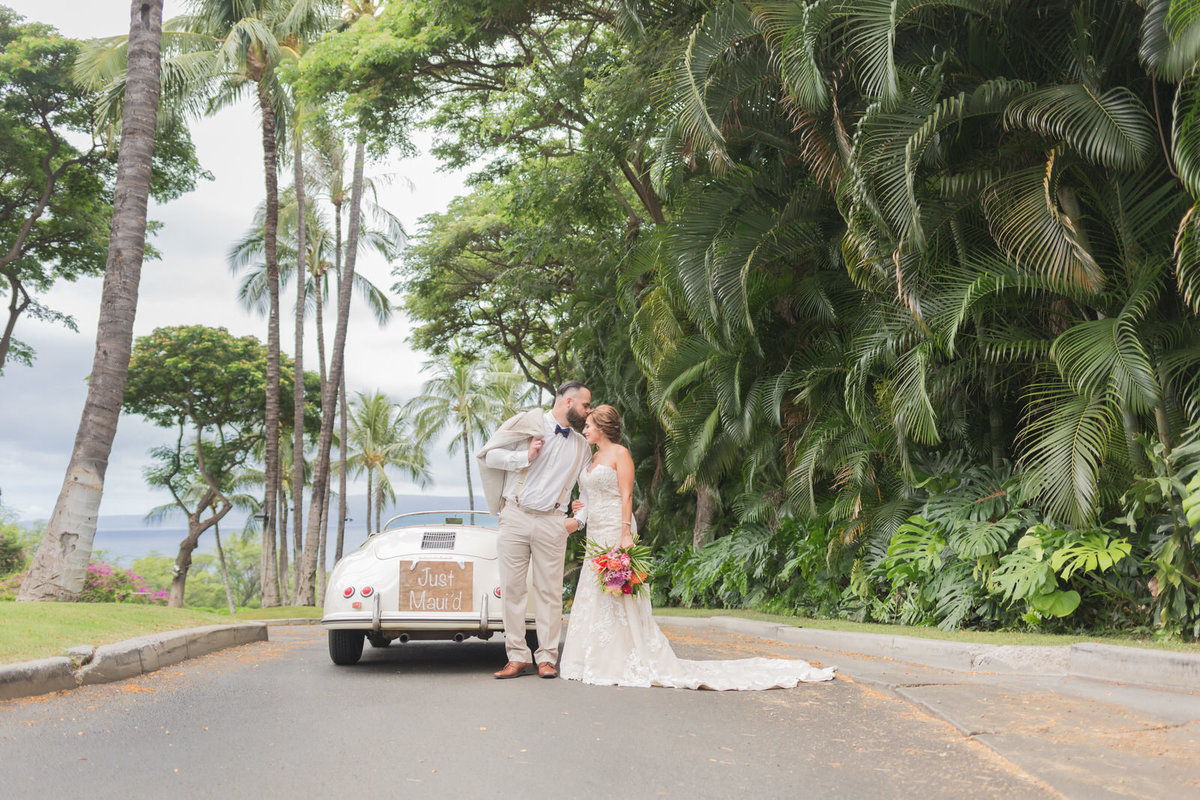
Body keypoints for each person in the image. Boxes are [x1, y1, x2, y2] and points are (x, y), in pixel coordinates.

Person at [558, 405, 836, 689]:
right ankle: (591, 657)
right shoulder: (593, 457)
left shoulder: (621, 454)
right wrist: (582, 507)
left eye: (590, 425)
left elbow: (627, 495)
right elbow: (590, 495)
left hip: (617, 527)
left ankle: (627, 656)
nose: (586, 429)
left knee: (620, 591)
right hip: (595, 531)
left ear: (603, 427)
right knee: (596, 591)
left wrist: (626, 533)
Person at [476, 381, 593, 679]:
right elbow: (490, 456)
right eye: (585, 405)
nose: (588, 411)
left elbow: (590, 490)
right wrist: (524, 457)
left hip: (554, 522)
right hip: (514, 515)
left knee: (550, 593)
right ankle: (517, 656)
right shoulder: (528, 425)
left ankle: (547, 658)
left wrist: (578, 521)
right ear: (568, 402)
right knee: (513, 590)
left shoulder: (582, 446)